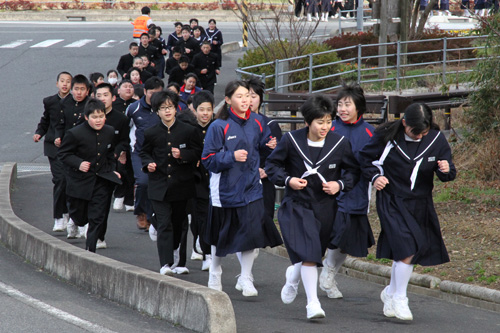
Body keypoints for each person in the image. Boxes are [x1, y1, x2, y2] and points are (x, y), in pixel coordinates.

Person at [358, 103, 456, 321]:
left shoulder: (435, 139)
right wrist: (376, 176)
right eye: (415, 132)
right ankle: (401, 298)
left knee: (410, 249)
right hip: (392, 199)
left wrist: (446, 170)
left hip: (420, 203)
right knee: (406, 247)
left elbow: (448, 171)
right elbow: (364, 159)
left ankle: (391, 292)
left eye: (424, 131)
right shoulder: (386, 137)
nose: (420, 136)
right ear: (404, 124)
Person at [265, 94, 359, 320]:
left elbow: (353, 171)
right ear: (308, 122)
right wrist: (288, 180)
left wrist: (340, 184)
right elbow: (272, 164)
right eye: (320, 122)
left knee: (314, 253)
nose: (325, 126)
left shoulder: (339, 143)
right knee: (309, 254)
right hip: (296, 205)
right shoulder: (291, 140)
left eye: (328, 121)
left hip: (326, 207)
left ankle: (293, 275)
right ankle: (312, 303)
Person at [201, 80, 282, 296]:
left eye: (247, 95)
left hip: (252, 188)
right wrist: (231, 157)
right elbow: (208, 159)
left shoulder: (257, 121)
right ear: (228, 100)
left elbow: (263, 145)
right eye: (239, 96)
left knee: (251, 234)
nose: (245, 100)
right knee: (222, 236)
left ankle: (246, 278)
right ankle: (215, 273)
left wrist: (269, 146)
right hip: (225, 190)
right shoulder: (218, 126)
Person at [320, 84, 375, 299]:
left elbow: (376, 162)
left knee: (347, 240)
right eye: (340, 104)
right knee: (331, 235)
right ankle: (299, 275)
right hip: (329, 190)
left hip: (357, 192)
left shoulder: (370, 132)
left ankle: (329, 273)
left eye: (347, 104)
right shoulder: (330, 127)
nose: (342, 109)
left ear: (358, 106)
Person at [140, 90, 202, 275]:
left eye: (170, 107)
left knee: (179, 223)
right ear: (156, 111)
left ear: (176, 109)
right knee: (165, 223)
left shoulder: (188, 130)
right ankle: (165, 264)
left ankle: (178, 258)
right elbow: (144, 152)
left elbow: (198, 152)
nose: (167, 111)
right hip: (159, 185)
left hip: (181, 185)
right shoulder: (151, 132)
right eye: (162, 108)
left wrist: (182, 155)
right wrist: (147, 164)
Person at [58, 98, 122, 252]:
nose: (98, 120)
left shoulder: (109, 131)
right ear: (86, 117)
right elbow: (64, 154)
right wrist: (78, 163)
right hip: (79, 182)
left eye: (101, 116)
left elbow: (110, 153)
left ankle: (90, 251)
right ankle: (75, 221)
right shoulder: (74, 133)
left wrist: (112, 169)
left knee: (97, 217)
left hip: (101, 180)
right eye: (94, 117)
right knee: (80, 217)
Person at [33, 71, 72, 232]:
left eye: (68, 81)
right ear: (57, 83)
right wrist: (39, 132)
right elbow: (45, 120)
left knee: (70, 182)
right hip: (53, 147)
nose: (65, 84)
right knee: (60, 180)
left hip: (70, 147)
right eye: (62, 81)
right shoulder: (49, 101)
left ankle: (70, 213)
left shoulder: (76, 102)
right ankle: (58, 217)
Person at [93, 83, 130, 249]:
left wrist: (118, 152)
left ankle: (99, 235)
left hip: (109, 166)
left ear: (113, 98)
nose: (102, 98)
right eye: (99, 95)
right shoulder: (87, 116)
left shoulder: (121, 119)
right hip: (89, 166)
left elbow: (124, 140)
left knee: (104, 201)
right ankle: (85, 224)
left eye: (105, 95)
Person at [246, 77, 282, 244]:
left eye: (253, 96)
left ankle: (248, 266)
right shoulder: (231, 124)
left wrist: (266, 171)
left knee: (262, 222)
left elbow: (280, 157)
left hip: (263, 181)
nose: (249, 100)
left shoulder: (271, 125)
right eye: (246, 96)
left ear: (260, 98)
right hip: (241, 180)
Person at [126, 77, 165, 230]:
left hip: (159, 153)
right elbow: (125, 128)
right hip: (139, 152)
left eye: (158, 93)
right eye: (151, 93)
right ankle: (141, 212)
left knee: (156, 184)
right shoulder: (133, 108)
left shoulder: (164, 108)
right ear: (144, 92)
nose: (154, 97)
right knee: (143, 182)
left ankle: (152, 216)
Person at [189, 91, 215, 271]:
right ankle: (198, 243)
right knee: (197, 218)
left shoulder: (218, 127)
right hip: (194, 180)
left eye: (209, 110)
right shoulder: (189, 129)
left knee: (208, 217)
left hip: (213, 178)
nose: (205, 113)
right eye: (201, 110)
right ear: (194, 110)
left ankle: (207, 253)